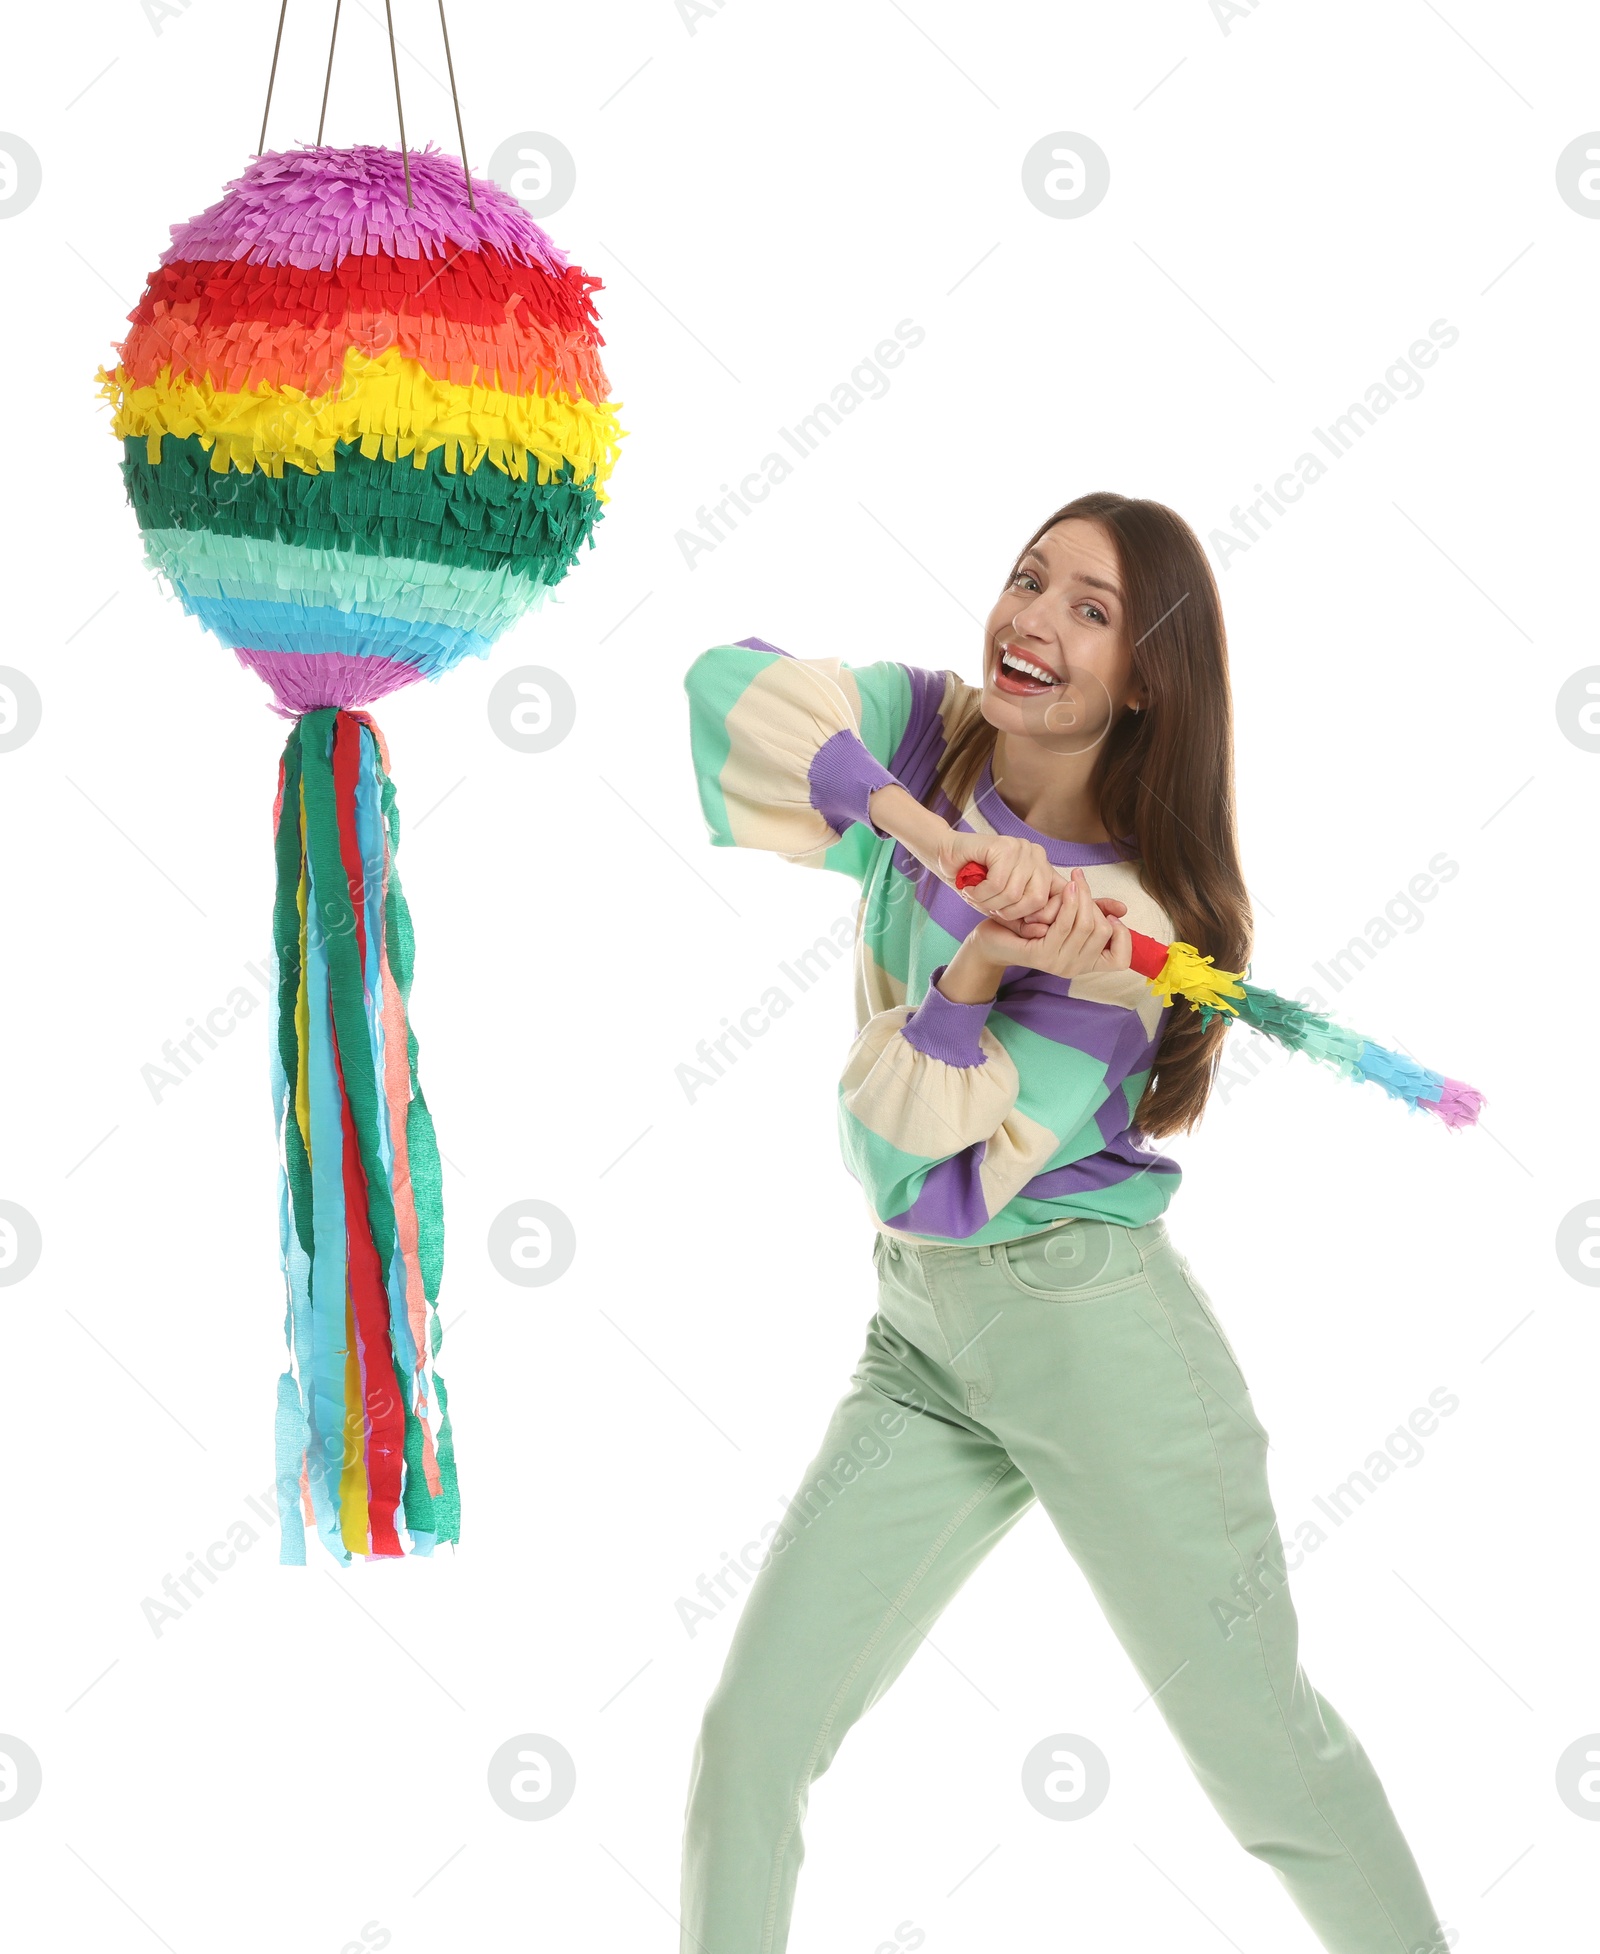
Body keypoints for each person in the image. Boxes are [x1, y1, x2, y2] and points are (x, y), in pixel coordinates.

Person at [678, 492, 1447, 1954]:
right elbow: (728, 689)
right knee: (752, 1735)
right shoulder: (939, 736)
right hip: (921, 1340)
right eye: (1032, 579)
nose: (1034, 619)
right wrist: (920, 834)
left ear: (1141, 679)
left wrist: (976, 970)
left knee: (1268, 1763)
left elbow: (908, 1169)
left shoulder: (1125, 937)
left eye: (1091, 609)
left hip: (1096, 1340)